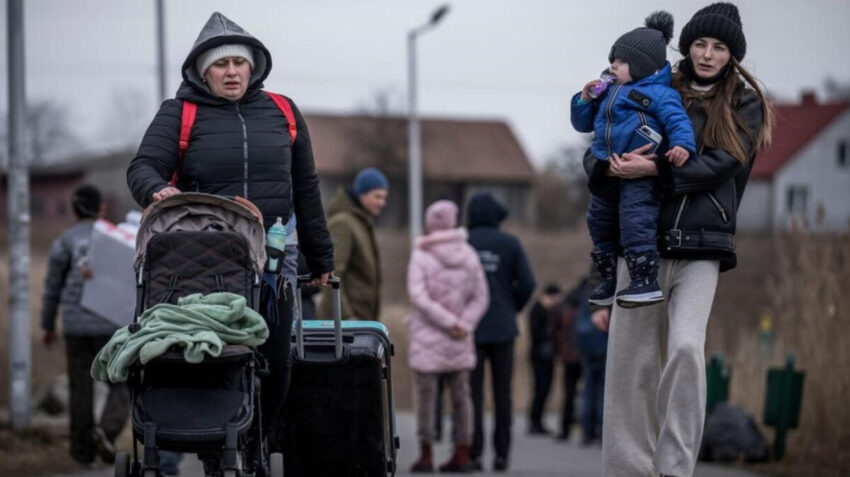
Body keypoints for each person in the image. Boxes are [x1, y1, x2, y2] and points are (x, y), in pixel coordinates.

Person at [126, 12, 335, 456]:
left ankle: (255, 440)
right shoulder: (179, 113)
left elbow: (306, 187)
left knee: (276, 358)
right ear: (203, 71)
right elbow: (142, 167)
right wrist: (156, 189)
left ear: (253, 66)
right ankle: (213, 445)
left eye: (239, 62)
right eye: (221, 64)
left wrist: (321, 259)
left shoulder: (283, 111)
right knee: (212, 354)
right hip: (203, 253)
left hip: (274, 254)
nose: (232, 72)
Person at [589, 3, 774, 476]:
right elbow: (602, 135)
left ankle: (673, 467)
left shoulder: (745, 103)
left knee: (688, 349)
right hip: (641, 244)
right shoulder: (653, 83)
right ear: (686, 46)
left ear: (732, 54)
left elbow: (722, 163)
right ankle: (628, 469)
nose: (708, 54)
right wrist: (610, 165)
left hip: (702, 246)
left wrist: (654, 169)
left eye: (719, 47)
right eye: (700, 44)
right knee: (631, 363)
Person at [571, 11, 696, 308]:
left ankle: (644, 279)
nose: (613, 66)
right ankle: (608, 277)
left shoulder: (659, 94)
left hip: (640, 175)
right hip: (608, 171)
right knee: (597, 220)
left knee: (636, 221)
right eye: (612, 60)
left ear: (641, 66)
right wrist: (584, 99)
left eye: (621, 62)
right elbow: (582, 125)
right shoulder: (607, 91)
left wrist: (682, 146)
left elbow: (678, 122)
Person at [40, 184, 130, 466]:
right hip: (110, 325)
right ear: (101, 208)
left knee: (81, 388)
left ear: (74, 209)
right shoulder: (116, 238)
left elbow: (52, 287)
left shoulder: (64, 242)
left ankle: (82, 454)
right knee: (123, 381)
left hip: (75, 327)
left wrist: (48, 325)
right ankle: (107, 430)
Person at [407, 200, 489, 473]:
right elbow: (481, 296)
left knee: (426, 398)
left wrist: (445, 321)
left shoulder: (421, 254)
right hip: (459, 337)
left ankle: (426, 455)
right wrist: (463, 323)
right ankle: (463, 454)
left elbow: (417, 295)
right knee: (462, 397)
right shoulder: (469, 254)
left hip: (426, 336)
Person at [466, 192, 536, 472]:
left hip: (469, 328)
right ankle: (501, 455)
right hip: (504, 328)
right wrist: (511, 307)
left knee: (472, 394)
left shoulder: (463, 242)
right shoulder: (510, 243)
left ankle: (474, 453)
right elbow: (528, 284)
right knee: (502, 393)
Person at [317, 167, 388, 320]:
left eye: (384, 198)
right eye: (377, 196)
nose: (382, 203)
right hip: (345, 323)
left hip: (360, 321)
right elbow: (332, 274)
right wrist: (346, 316)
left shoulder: (361, 223)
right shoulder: (343, 224)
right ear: (362, 194)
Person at [567, 275, 608, 445]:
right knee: (603, 390)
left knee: (588, 388)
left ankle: (586, 430)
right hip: (603, 344)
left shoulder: (584, 294)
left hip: (586, 347)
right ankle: (601, 428)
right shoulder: (605, 292)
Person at [526, 283, 560, 436]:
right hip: (538, 356)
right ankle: (535, 422)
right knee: (539, 389)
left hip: (547, 356)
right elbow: (537, 333)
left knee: (545, 389)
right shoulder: (537, 310)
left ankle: (538, 421)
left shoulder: (550, 311)